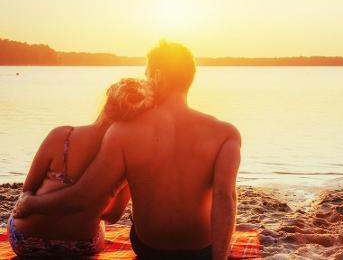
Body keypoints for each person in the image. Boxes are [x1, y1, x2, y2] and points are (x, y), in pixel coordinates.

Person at [13, 41, 242, 260]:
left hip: (151, 250)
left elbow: (83, 196)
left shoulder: (124, 131)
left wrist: (31, 203)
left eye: (147, 74)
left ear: (157, 75)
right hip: (201, 250)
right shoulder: (225, 133)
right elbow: (225, 198)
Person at [9, 78, 154, 258]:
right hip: (79, 245)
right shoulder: (128, 156)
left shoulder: (62, 135)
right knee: (97, 223)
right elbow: (112, 216)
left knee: (23, 205)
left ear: (107, 100)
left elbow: (28, 189)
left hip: (27, 240)